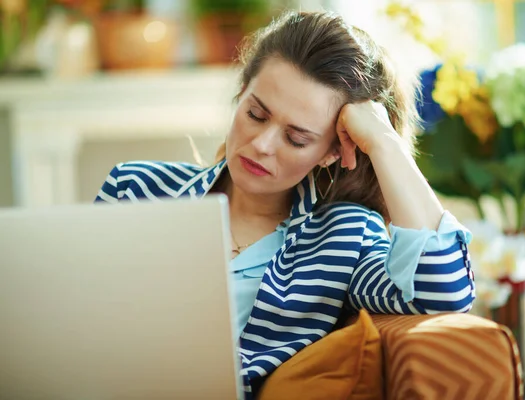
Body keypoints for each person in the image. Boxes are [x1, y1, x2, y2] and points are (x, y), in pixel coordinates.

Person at [95, 10, 475, 398]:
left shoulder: (344, 237)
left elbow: (445, 291)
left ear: (331, 152)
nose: (262, 144)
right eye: (256, 114)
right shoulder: (135, 189)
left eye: (296, 138)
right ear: (241, 92)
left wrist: (382, 142)